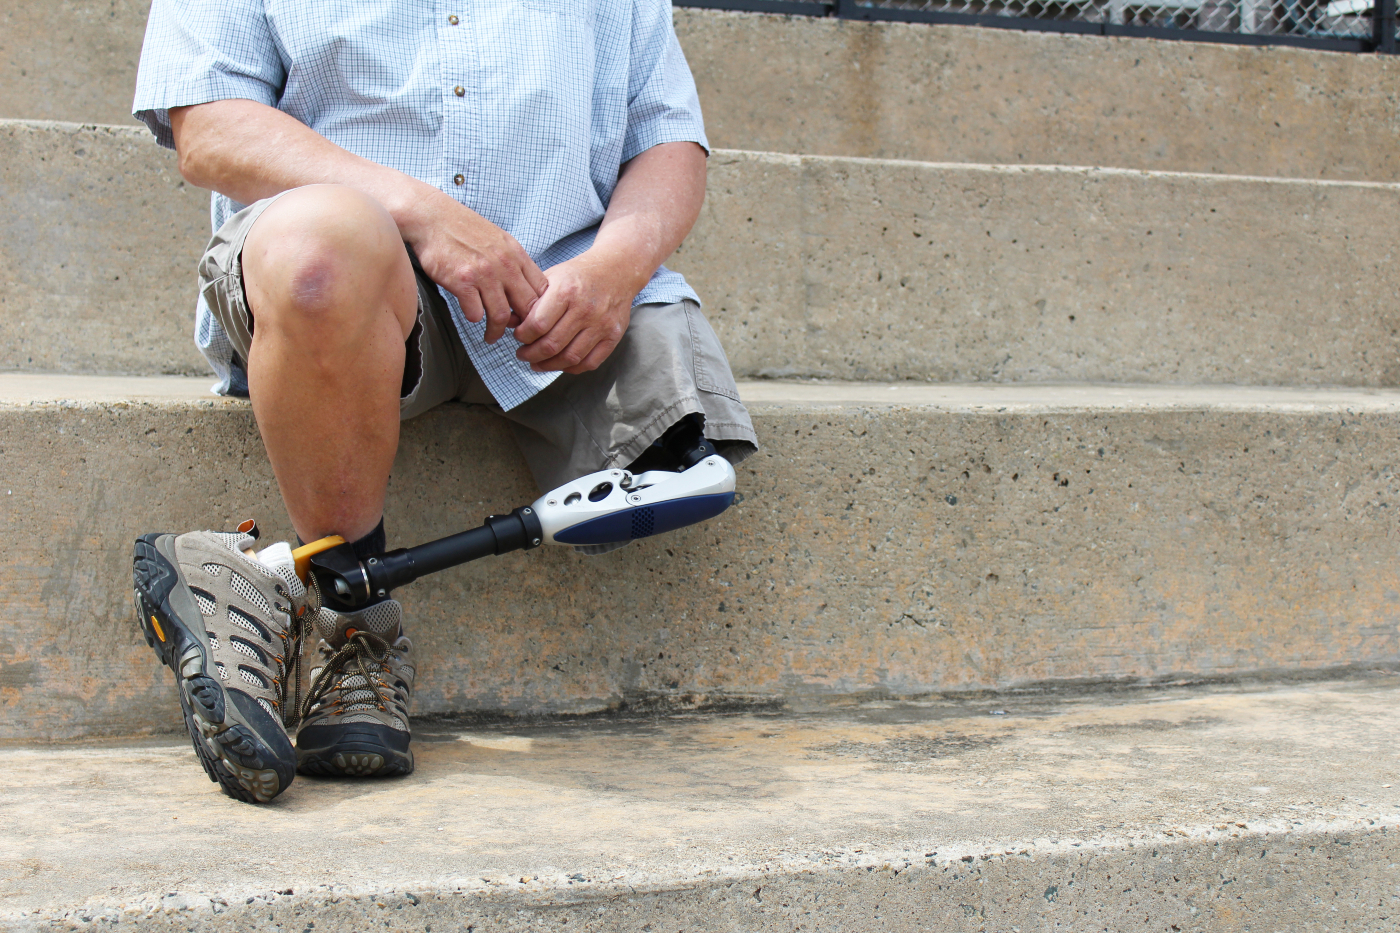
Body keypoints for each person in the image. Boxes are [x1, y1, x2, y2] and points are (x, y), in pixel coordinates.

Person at [128, 0, 758, 804]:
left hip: (563, 290)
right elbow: (210, 129)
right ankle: (355, 627)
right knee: (320, 255)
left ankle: (256, 579)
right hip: (354, 279)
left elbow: (669, 137)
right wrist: (422, 212)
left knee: (689, 471)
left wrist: (619, 268)